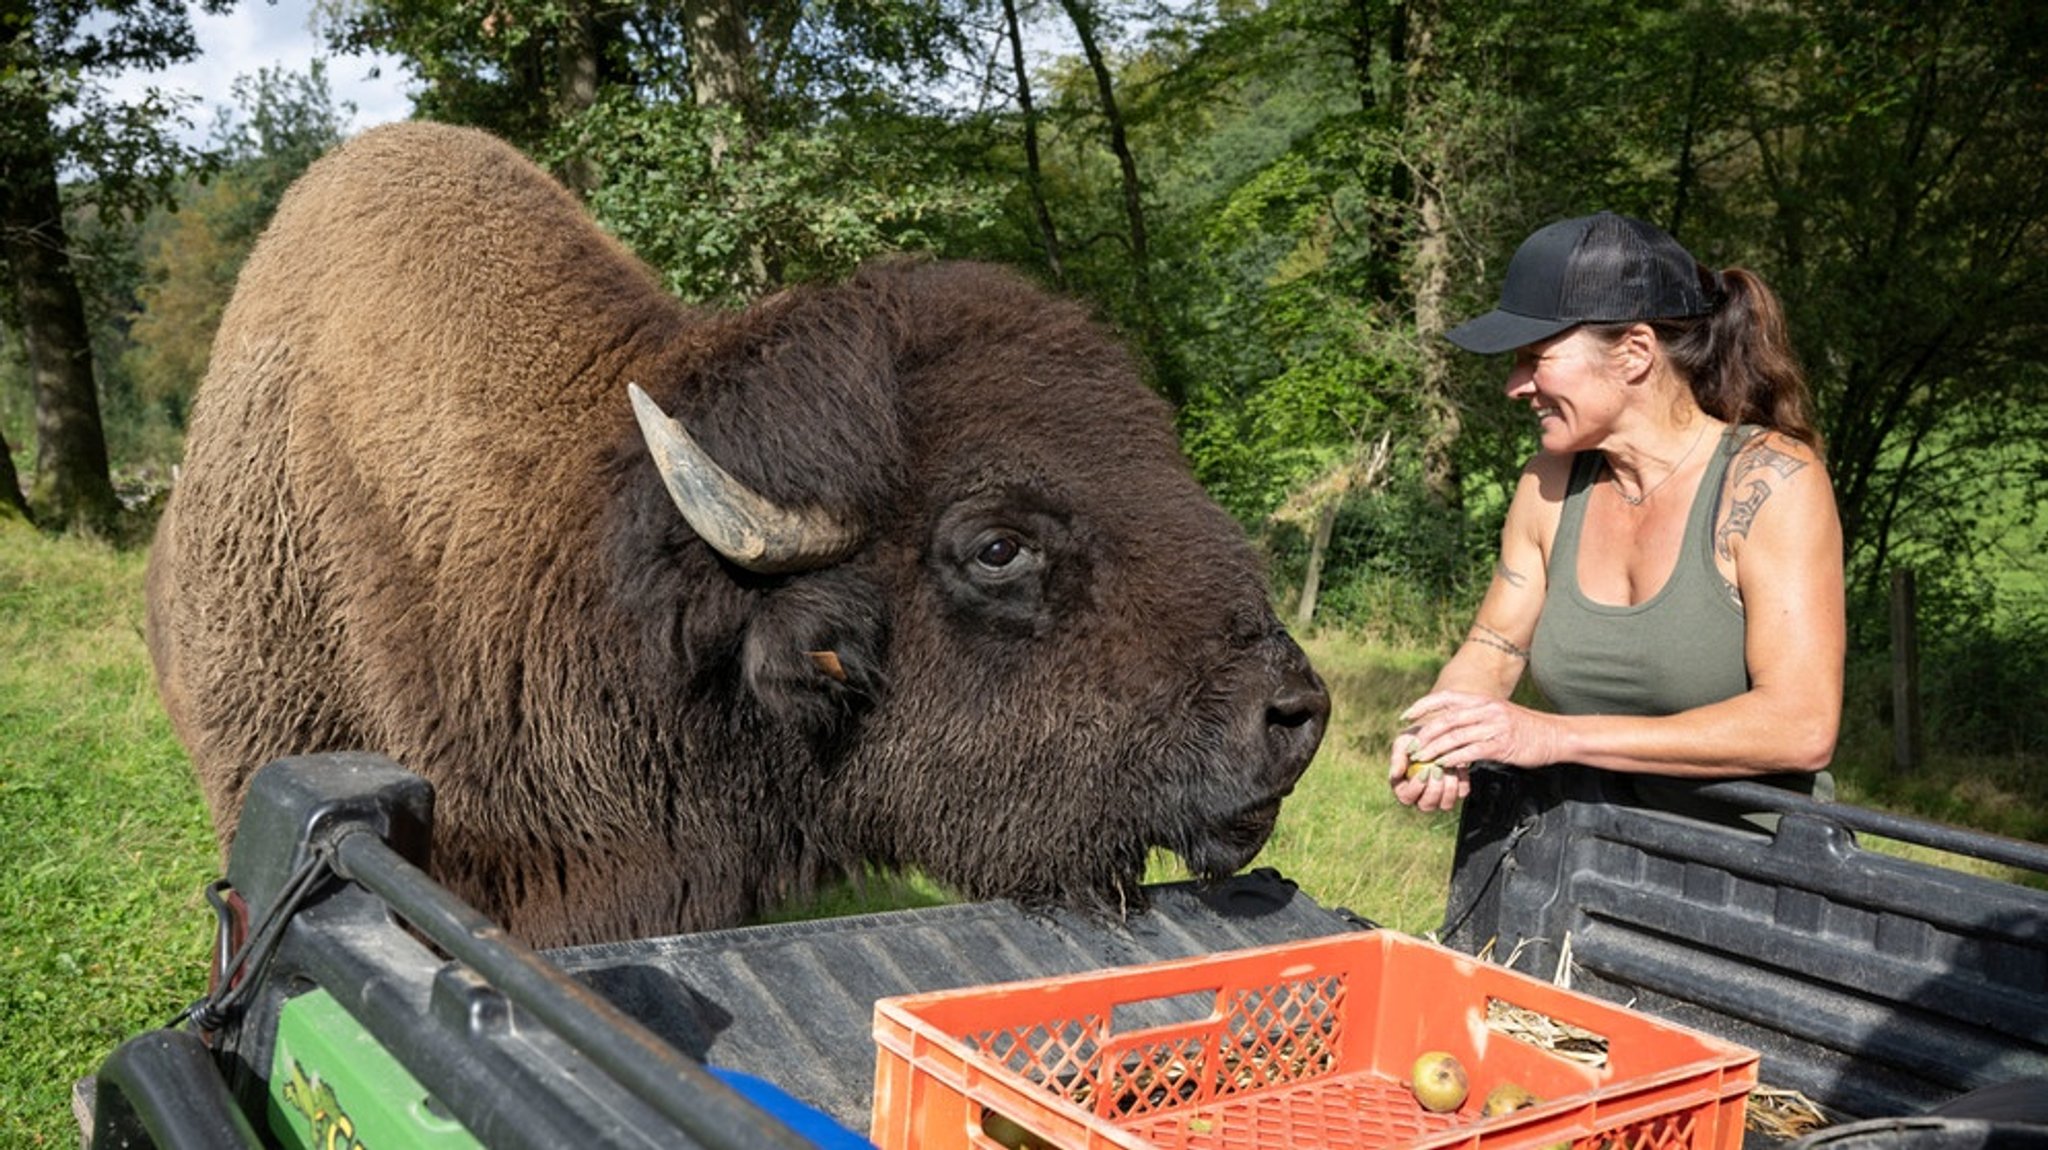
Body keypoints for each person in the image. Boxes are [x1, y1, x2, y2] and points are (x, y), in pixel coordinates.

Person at [1389, 210, 1845, 821]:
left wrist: (1554, 737)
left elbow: (1801, 725)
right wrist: (1442, 734)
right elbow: (1492, 650)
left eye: (1535, 357)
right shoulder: (1548, 482)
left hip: (1755, 877)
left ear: (1634, 352)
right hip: (1581, 858)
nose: (1515, 386)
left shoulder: (1770, 480)